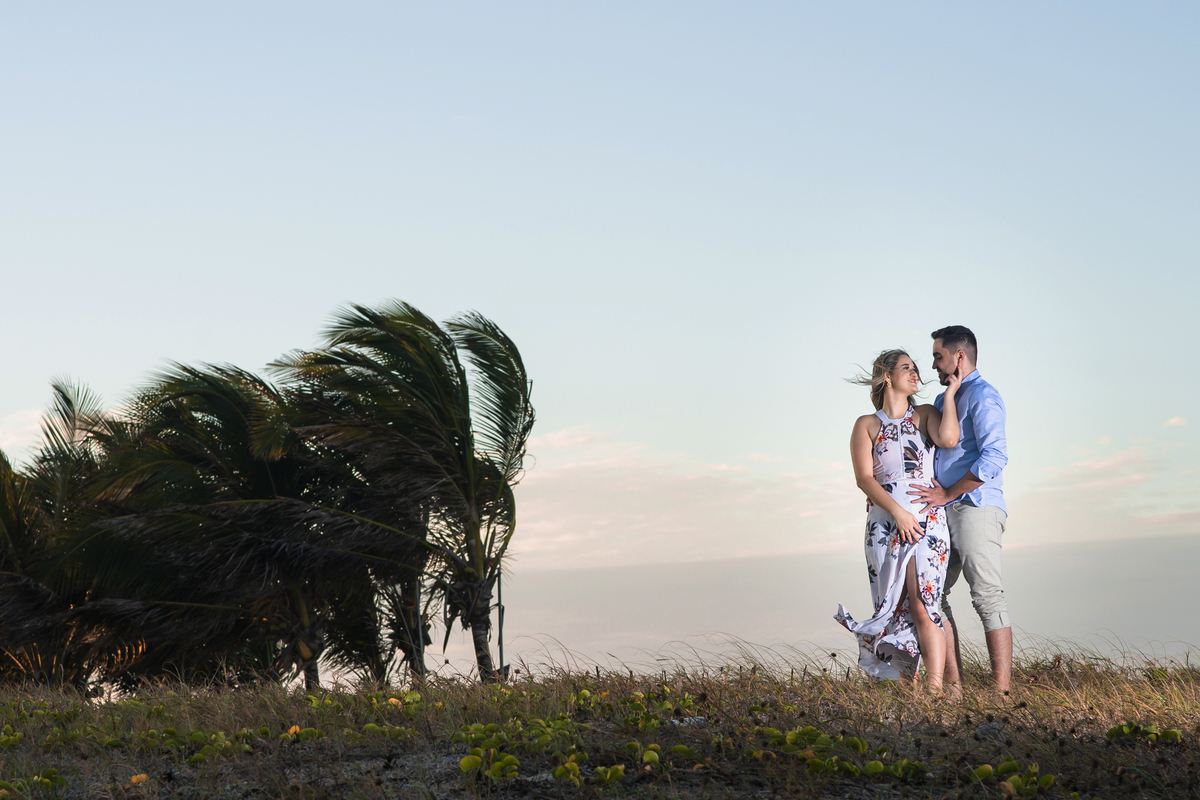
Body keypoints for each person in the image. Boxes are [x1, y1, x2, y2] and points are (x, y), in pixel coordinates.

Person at [835, 349, 962, 689]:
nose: (915, 373)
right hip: (886, 522)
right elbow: (864, 479)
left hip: (926, 518)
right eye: (906, 367)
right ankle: (909, 691)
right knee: (895, 607)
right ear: (887, 376)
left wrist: (949, 395)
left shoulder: (924, 413)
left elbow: (949, 438)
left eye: (916, 368)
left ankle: (934, 691)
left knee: (924, 602)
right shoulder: (867, 424)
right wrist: (897, 513)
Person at [909, 326, 1011, 691]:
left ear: (959, 357)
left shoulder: (984, 396)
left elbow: (995, 457)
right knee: (932, 595)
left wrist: (950, 492)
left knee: (986, 596)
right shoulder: (942, 401)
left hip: (975, 507)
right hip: (943, 511)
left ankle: (1002, 694)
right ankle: (955, 689)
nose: (934, 365)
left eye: (938, 356)